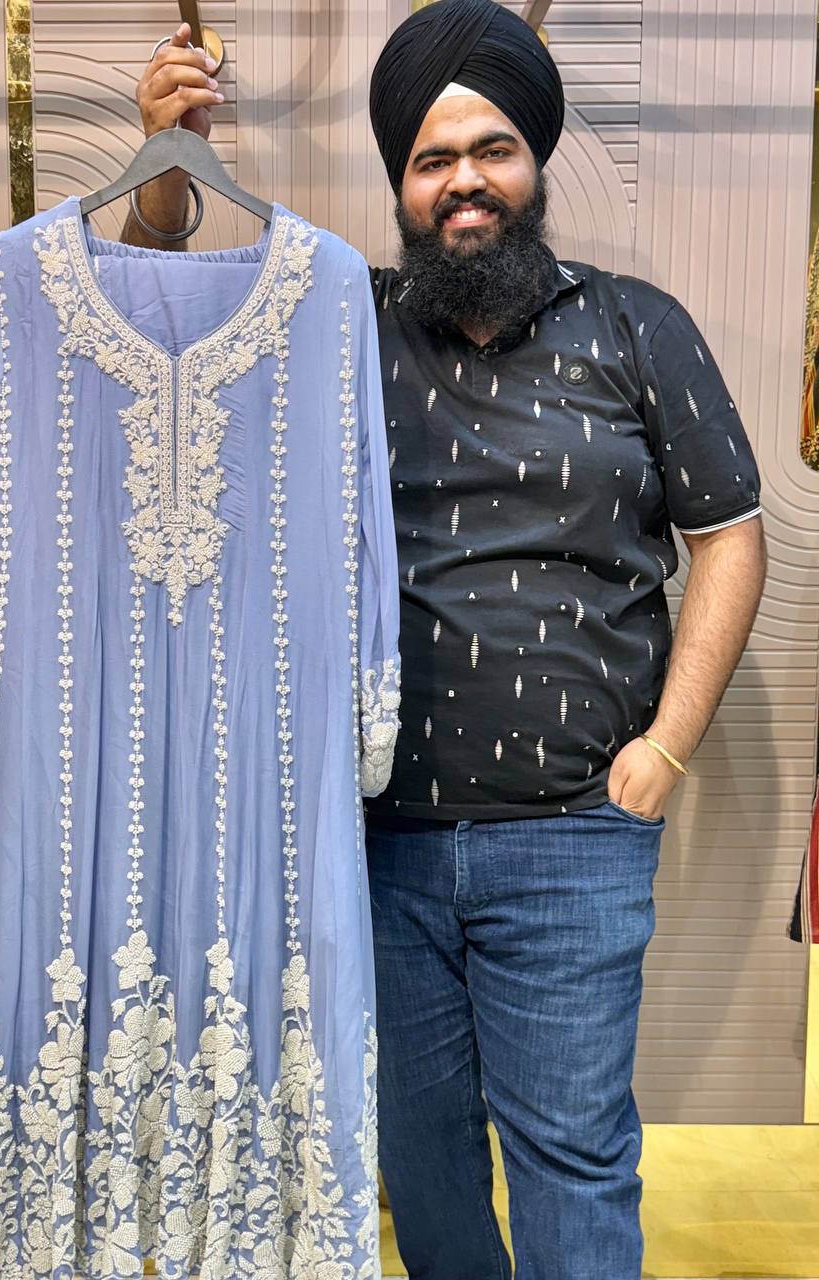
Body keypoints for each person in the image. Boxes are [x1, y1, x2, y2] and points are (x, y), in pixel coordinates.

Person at [121, 4, 767, 1277]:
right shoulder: (333, 328)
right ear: (400, 183)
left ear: (536, 161)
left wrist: (666, 750)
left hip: (574, 835)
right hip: (370, 846)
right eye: (431, 159)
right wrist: (160, 178)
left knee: (572, 1155)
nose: (464, 179)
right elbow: (160, 343)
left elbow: (731, 534)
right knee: (414, 1158)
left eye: (492, 149)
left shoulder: (636, 326)